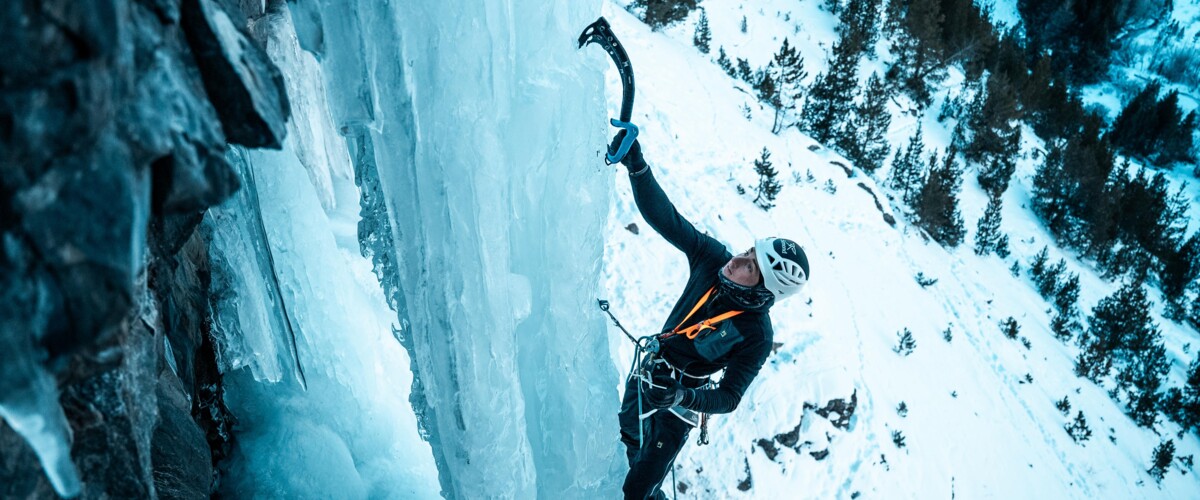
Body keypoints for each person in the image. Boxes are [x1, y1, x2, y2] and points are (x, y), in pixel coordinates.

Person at [610, 130, 809, 500]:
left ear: (764, 290)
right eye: (748, 251)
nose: (737, 260)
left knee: (638, 488)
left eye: (749, 265)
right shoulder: (713, 260)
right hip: (650, 372)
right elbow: (668, 219)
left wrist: (681, 397)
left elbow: (730, 396)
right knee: (626, 437)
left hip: (679, 406)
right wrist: (637, 167)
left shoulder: (756, 335)